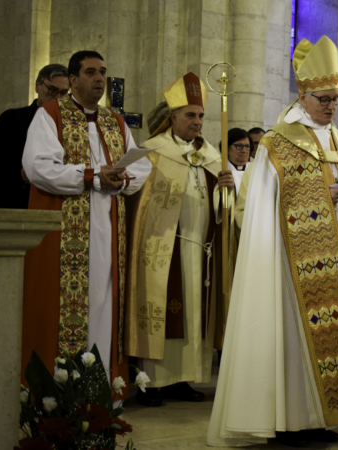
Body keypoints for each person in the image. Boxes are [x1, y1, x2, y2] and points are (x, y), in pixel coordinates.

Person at [207, 35, 338, 447]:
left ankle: (324, 416)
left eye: (336, 98)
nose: (332, 105)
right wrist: (328, 195)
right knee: (293, 340)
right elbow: (259, 205)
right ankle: (289, 420)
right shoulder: (277, 143)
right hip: (290, 263)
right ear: (303, 94)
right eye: (324, 98)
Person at [20, 51, 152, 390]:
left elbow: (140, 167)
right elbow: (39, 168)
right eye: (90, 72)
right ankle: (59, 395)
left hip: (109, 231)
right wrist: (93, 176)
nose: (99, 78)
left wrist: (121, 180)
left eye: (103, 72)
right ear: (74, 79)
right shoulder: (50, 115)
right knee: (61, 308)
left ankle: (102, 392)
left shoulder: (115, 122)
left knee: (106, 302)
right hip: (64, 237)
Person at [124, 72, 235, 407]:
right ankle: (152, 382)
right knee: (164, 313)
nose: (198, 122)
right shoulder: (152, 152)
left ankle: (183, 378)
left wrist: (226, 189)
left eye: (201, 116)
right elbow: (139, 207)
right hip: (163, 250)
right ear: (172, 117)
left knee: (194, 317)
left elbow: (224, 208)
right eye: (191, 115)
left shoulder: (213, 156)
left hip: (202, 251)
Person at [0, 64, 69, 209]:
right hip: (19, 203)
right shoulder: (13, 119)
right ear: (37, 85)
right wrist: (20, 173)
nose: (57, 98)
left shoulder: (69, 126)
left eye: (63, 93)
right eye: (52, 90)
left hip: (58, 205)